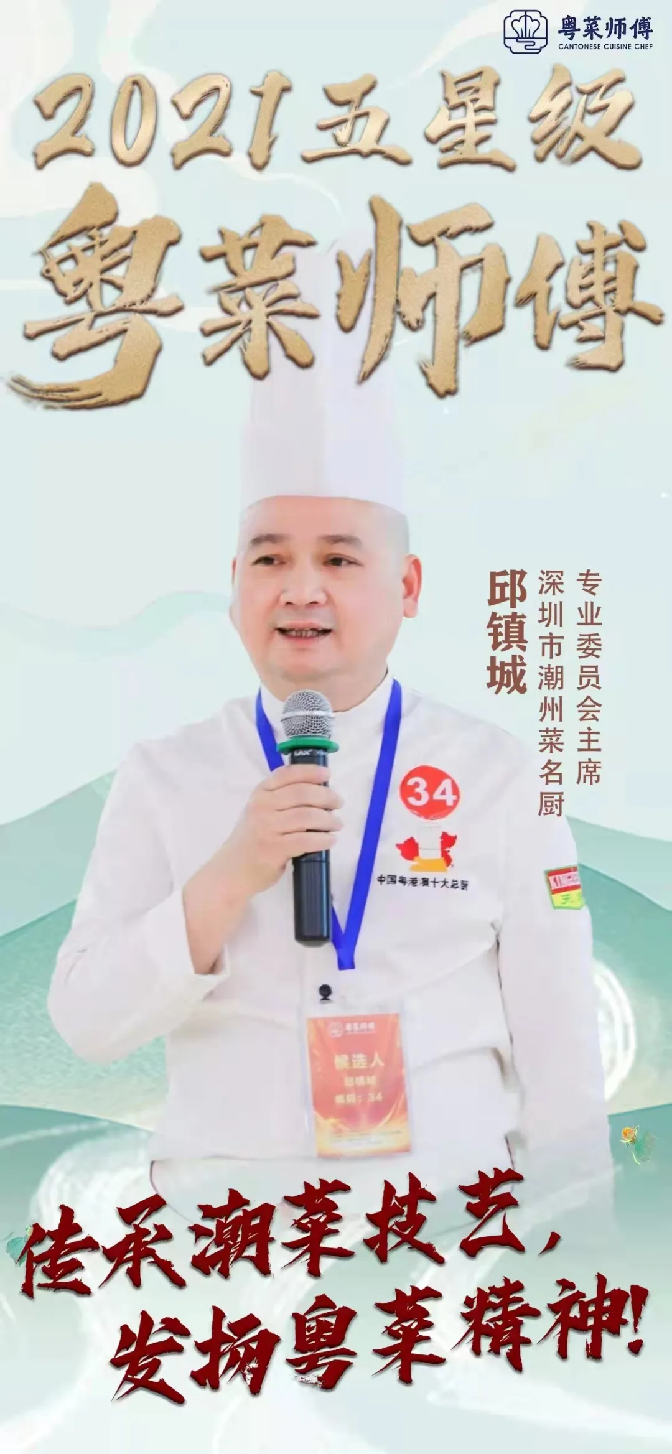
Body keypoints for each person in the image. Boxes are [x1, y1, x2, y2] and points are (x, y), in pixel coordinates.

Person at [48, 258, 612, 1231]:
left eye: (339, 558)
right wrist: (231, 873)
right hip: (229, 1242)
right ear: (234, 585)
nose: (300, 588)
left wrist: (585, 1231)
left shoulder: (500, 773)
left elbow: (559, 1030)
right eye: (270, 557)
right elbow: (87, 1021)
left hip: (446, 1226)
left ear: (408, 585)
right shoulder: (165, 774)